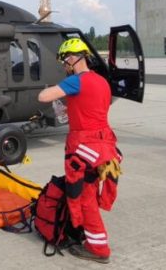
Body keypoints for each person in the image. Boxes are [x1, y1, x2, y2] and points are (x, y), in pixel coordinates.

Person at [38, 38, 121, 264]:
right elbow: (92, 106)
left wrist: (56, 90)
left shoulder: (77, 80)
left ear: (73, 58)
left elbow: (43, 97)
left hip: (85, 147)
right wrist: (69, 105)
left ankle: (99, 248)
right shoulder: (102, 82)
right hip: (105, 147)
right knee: (91, 191)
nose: (65, 66)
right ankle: (84, 233)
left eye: (65, 61)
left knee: (84, 198)